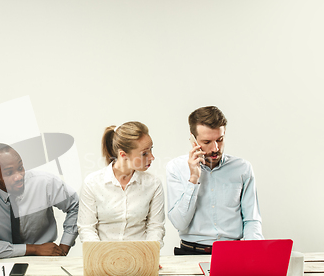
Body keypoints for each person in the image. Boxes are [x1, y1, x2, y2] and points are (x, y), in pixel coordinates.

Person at [166, 106, 264, 255]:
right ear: (193, 140)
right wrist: (193, 179)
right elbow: (179, 223)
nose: (215, 148)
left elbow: (251, 219)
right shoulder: (176, 168)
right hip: (191, 253)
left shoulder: (243, 168)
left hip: (233, 253)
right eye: (207, 142)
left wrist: (256, 253)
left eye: (220, 140)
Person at [0, 143, 79, 259]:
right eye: (9, 173)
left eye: (20, 168)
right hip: (0, 260)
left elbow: (76, 206)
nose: (19, 177)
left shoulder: (44, 183)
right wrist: (34, 249)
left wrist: (64, 247)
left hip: (44, 259)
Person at [77, 121, 165, 247]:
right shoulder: (93, 183)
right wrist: (101, 256)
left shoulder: (153, 184)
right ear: (123, 155)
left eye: (151, 149)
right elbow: (87, 228)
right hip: (103, 257)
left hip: (141, 257)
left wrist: (150, 254)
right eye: (144, 153)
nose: (152, 157)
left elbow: (156, 228)